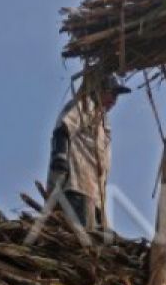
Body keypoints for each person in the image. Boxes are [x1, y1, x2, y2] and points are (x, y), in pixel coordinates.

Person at [46, 72, 131, 230]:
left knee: (98, 242)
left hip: (95, 196)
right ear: (98, 89)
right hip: (76, 188)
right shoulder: (83, 106)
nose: (114, 100)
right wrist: (59, 165)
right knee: (82, 237)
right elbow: (62, 130)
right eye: (111, 93)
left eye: (117, 95)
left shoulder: (104, 124)